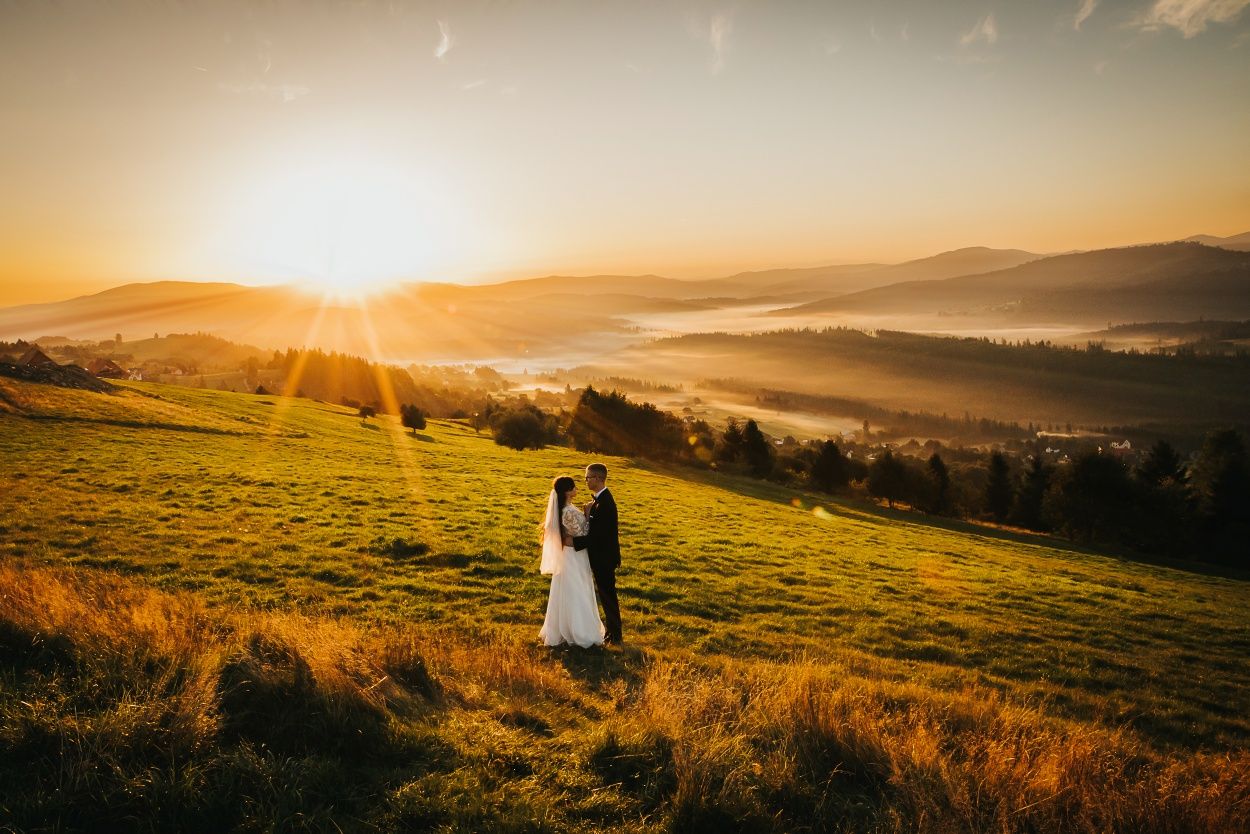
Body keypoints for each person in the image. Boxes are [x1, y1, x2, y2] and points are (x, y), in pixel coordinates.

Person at [538, 476, 605, 648]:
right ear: (568, 491)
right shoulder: (566, 511)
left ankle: (567, 627)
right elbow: (582, 533)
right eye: (574, 487)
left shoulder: (567, 508)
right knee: (576, 589)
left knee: (571, 588)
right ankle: (579, 631)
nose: (577, 489)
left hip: (573, 553)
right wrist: (588, 514)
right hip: (573, 556)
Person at [572, 463, 622, 645]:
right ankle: (612, 633)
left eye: (588, 477)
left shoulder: (606, 503)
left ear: (598, 478)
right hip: (602, 557)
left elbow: (597, 536)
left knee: (608, 596)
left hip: (604, 558)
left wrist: (571, 543)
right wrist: (588, 513)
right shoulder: (600, 501)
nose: (586, 481)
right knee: (606, 596)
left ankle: (615, 636)